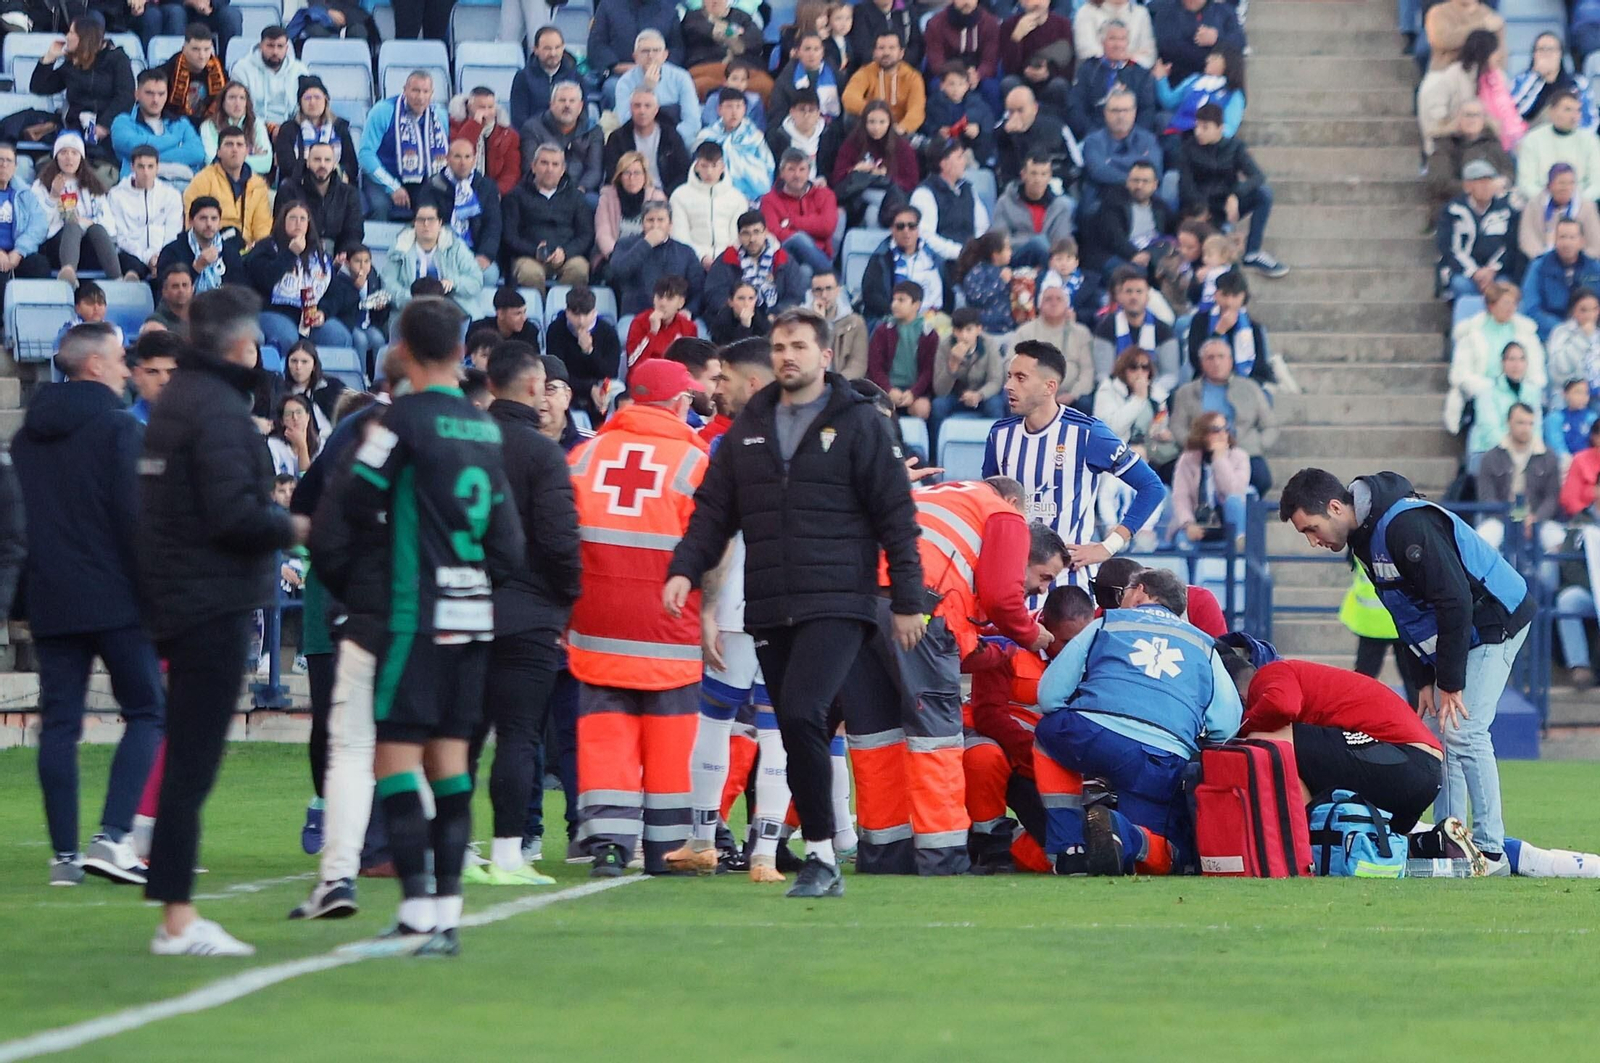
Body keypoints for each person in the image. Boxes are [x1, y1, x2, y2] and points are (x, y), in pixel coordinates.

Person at [665, 306, 924, 897]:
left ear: (825, 356)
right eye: (780, 345)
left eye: (800, 346)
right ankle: (815, 854)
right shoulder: (747, 430)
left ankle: (821, 854)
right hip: (769, 603)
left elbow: (897, 516)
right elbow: (713, 513)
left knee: (804, 712)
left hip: (839, 599)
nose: (788, 355)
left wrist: (908, 596)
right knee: (791, 719)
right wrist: (684, 567)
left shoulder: (858, 423)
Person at [317, 296, 524, 952]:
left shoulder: (397, 420)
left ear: (403, 347)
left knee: (396, 762)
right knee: (452, 766)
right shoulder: (485, 428)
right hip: (472, 619)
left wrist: (358, 583)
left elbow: (348, 502)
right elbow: (511, 547)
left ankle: (416, 912)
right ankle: (449, 916)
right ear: (463, 350)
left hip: (411, 615)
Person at [138, 287, 306, 955]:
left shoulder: (177, 402)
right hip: (211, 602)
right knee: (193, 764)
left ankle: (173, 908)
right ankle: (177, 918)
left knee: (186, 759)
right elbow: (234, 513)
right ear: (241, 344)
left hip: (181, 597)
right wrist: (295, 525)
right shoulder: (219, 412)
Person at [1279, 466, 1535, 873]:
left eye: (1311, 529)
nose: (1313, 542)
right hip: (1458, 629)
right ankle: (1449, 838)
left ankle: (1489, 850)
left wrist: (1448, 680)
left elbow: (1454, 600)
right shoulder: (1364, 537)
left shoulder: (1405, 526)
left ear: (1333, 507)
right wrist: (1424, 679)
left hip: (1496, 617)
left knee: (1465, 730)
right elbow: (1405, 611)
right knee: (1439, 733)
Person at [14, 324, 156, 887]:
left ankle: (65, 858)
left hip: (51, 592)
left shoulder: (28, 438)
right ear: (95, 365)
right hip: (117, 594)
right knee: (148, 710)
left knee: (59, 723)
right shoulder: (120, 430)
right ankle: (113, 836)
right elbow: (132, 520)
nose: (127, 368)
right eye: (121, 359)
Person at [565, 358, 709, 877]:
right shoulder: (695, 463)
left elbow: (562, 542)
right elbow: (712, 552)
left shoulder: (584, 457)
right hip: (669, 629)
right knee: (670, 742)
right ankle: (667, 848)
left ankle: (607, 843)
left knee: (606, 738)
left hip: (597, 627)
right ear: (676, 403)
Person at [1034, 567, 1242, 874]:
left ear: (1141, 591)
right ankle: (1127, 834)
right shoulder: (1204, 646)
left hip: (1093, 734)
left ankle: (1069, 846)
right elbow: (1227, 724)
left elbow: (1049, 696)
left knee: (1048, 735)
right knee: (1161, 852)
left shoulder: (1107, 623)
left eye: (1125, 594)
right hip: (1161, 758)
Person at [464, 343, 581, 886]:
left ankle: (457, 849)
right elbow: (560, 539)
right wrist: (568, 599)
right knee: (518, 735)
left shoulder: (462, 444)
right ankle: (509, 852)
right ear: (535, 387)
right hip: (528, 614)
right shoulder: (541, 454)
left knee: (459, 735)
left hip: (459, 606)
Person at [983, 340, 1165, 597]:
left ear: (1050, 387)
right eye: (1009, 376)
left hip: (1067, 588)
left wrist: (1108, 546)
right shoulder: (999, 435)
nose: (1009, 385)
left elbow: (1152, 488)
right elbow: (989, 502)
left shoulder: (1088, 434)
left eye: (1021, 378)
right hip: (1010, 583)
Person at [1232, 658, 1443, 833]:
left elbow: (1282, 705)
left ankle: (1300, 844)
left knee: (1262, 741)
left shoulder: (1270, 673)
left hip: (1401, 758)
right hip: (1427, 779)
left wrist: (1240, 730)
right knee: (1292, 756)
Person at [1178, 104, 1287, 277]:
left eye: (1205, 127)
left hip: (1227, 204)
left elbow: (1257, 176)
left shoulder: (1234, 147)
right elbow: (1186, 185)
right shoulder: (1188, 148)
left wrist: (1235, 195)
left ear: (1220, 128)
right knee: (1220, 256)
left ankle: (1252, 252)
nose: (1199, 131)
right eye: (1197, 126)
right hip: (1200, 210)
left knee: (1263, 193)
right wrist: (1200, 209)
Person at [244, 198, 357, 353]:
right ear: (282, 221)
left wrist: (323, 312)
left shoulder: (320, 255)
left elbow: (335, 292)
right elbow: (264, 279)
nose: (298, 223)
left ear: (309, 224)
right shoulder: (266, 247)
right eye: (292, 218)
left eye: (303, 219)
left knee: (339, 336)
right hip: (273, 311)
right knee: (288, 337)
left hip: (310, 315)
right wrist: (290, 254)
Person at [1170, 338, 1277, 494]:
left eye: (1221, 357)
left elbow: (1270, 425)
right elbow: (1177, 426)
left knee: (1262, 479)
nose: (1216, 362)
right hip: (1201, 452)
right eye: (1210, 358)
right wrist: (1194, 444)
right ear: (1202, 363)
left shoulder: (1250, 388)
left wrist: (1259, 444)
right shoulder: (1186, 392)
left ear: (1231, 361)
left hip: (1244, 450)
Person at [358, 71, 450, 222]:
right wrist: (392, 187)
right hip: (382, 177)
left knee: (438, 204)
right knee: (380, 206)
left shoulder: (440, 116)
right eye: (415, 90)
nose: (420, 97)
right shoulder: (383, 111)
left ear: (431, 94)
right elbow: (366, 155)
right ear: (405, 90)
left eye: (425, 92)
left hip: (421, 179)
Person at [502, 142, 593, 293]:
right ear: (533, 166)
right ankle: (536, 312)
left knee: (580, 268)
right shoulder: (516, 195)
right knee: (530, 274)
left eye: (555, 164)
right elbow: (509, 235)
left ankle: (564, 312)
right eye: (544, 163)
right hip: (528, 257)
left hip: (566, 257)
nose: (549, 169)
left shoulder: (576, 197)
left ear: (563, 169)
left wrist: (566, 252)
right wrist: (534, 251)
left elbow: (586, 234)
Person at [32, 133, 120, 287]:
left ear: (81, 157)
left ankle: (119, 280)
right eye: (64, 153)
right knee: (72, 226)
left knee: (97, 228)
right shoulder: (41, 185)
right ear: (56, 156)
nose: (69, 158)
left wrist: (88, 223)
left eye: (74, 153)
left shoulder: (93, 185)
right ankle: (68, 273)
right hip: (56, 245)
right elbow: (38, 226)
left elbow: (110, 226)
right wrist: (53, 196)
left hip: (89, 246)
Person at [379, 201, 485, 317]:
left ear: (439, 223)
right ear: (414, 223)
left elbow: (476, 281)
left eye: (431, 219)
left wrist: (453, 282)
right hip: (410, 309)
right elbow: (388, 284)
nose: (426, 224)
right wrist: (415, 299)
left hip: (451, 307)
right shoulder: (400, 247)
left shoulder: (455, 246)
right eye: (421, 220)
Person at [426, 138, 504, 294]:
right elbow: (427, 223)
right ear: (447, 158)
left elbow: (493, 225)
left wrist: (485, 255)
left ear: (474, 160)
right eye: (457, 156)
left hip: (476, 253)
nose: (463, 162)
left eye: (468, 157)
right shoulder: (433, 185)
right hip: (441, 254)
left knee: (489, 275)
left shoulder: (487, 187)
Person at [1438, 159, 1520, 302]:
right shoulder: (1453, 211)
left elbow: (1510, 245)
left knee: (1505, 289)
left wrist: (1492, 270)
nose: (1486, 187)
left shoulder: (1506, 210)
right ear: (1467, 186)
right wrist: (1474, 272)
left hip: (1497, 273)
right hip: (1464, 273)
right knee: (1461, 286)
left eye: (1489, 181)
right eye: (1480, 182)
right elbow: (1450, 249)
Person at [828, 100, 918, 228]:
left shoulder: (902, 146)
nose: (876, 127)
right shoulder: (853, 142)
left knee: (873, 212)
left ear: (890, 123)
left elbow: (911, 182)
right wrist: (855, 170)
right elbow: (837, 179)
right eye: (871, 122)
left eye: (882, 122)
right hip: (855, 196)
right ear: (864, 122)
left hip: (890, 198)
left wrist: (885, 176)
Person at [1091, 266, 1181, 394]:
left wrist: (1149, 391)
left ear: (1147, 297)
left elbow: (1170, 374)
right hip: (1114, 392)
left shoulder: (1163, 330)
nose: (1133, 297)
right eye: (1128, 291)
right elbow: (1102, 372)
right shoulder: (1106, 326)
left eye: (1139, 292)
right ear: (1119, 297)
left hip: (1153, 391)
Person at [1082, 160, 1175, 280]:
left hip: (1150, 254)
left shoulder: (1160, 207)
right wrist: (1134, 254)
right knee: (1137, 274)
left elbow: (1172, 232)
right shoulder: (1112, 202)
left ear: (1154, 185)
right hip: (1116, 255)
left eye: (1145, 181)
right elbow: (1114, 237)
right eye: (1135, 180)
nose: (1139, 186)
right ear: (1127, 182)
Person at [182, 126, 272, 250]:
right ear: (218, 151)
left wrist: (260, 249)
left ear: (246, 151)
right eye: (229, 144)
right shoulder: (202, 180)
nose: (234, 149)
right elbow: (192, 223)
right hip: (213, 248)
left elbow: (263, 227)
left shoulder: (258, 184)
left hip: (250, 252)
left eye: (239, 145)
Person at [1067, 21, 1160, 141]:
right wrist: (1093, 134)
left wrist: (1132, 137)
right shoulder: (1088, 69)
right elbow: (1076, 106)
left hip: (1132, 139)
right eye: (1112, 39)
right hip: (1093, 136)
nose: (1118, 45)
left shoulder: (1141, 74)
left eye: (1122, 39)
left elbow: (1147, 110)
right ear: (1102, 42)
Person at [610, 200, 705, 317]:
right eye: (650, 220)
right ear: (642, 223)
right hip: (635, 316)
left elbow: (698, 289)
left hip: (676, 318)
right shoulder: (625, 245)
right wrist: (647, 243)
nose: (655, 225)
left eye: (660, 220)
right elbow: (619, 270)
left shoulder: (685, 252)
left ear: (670, 224)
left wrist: (689, 310)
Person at [1169, 410, 1248, 549]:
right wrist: (1188, 524)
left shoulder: (1240, 457)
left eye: (1226, 429)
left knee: (1234, 500)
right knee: (1183, 542)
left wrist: (1219, 459)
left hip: (1227, 521)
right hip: (1197, 522)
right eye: (1216, 430)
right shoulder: (1187, 459)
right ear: (1203, 433)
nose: (1223, 434)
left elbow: (1232, 491)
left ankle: (1238, 544)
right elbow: (1181, 497)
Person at [609, 30, 701, 146]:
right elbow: (626, 121)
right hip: (638, 142)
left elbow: (692, 121)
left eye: (656, 51)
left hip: (676, 141)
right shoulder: (625, 82)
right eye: (645, 51)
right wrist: (647, 89)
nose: (650, 56)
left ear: (665, 55)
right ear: (635, 56)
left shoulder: (681, 77)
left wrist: (667, 140)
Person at [110, 70, 206, 182]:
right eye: (149, 93)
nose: (155, 100)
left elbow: (197, 153)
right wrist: (174, 141)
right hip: (139, 188)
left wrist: (148, 160)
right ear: (137, 94)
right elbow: (133, 147)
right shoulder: (123, 122)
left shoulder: (181, 123)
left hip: (182, 187)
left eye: (161, 94)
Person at [543, 286, 620, 424]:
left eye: (586, 314)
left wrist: (590, 351)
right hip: (570, 384)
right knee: (553, 387)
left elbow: (611, 372)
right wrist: (589, 388)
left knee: (617, 389)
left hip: (600, 384)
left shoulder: (608, 332)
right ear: (567, 312)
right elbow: (557, 371)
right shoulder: (556, 330)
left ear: (594, 312)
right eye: (576, 314)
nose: (581, 320)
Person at [705, 210, 806, 314]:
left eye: (756, 232)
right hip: (735, 321)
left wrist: (775, 314)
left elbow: (796, 295)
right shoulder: (726, 259)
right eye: (746, 233)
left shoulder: (783, 258)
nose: (752, 239)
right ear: (739, 236)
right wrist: (737, 312)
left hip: (776, 320)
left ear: (766, 232)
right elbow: (714, 294)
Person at [759, 147, 839, 279]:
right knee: (799, 239)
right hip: (786, 254)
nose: (797, 175)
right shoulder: (769, 200)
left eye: (802, 169)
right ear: (782, 173)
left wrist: (791, 222)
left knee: (805, 270)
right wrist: (809, 228)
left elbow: (827, 227)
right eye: (791, 169)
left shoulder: (825, 194)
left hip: (819, 254)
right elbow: (773, 232)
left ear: (809, 172)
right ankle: (831, 279)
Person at [670, 141, 749, 272]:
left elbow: (737, 236)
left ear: (722, 166)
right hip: (691, 262)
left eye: (714, 166)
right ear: (696, 166)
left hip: (728, 261)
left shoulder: (737, 198)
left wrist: (721, 259)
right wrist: (702, 257)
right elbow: (680, 235)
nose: (709, 171)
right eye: (704, 166)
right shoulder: (679, 196)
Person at [517, 81, 604, 201]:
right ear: (551, 104)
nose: (567, 105)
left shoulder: (594, 130)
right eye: (562, 100)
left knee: (593, 202)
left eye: (572, 101)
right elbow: (530, 167)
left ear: (580, 106)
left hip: (579, 192)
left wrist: (579, 190)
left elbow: (594, 170)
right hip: (542, 190)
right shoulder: (532, 128)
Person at [1080, 87, 1162, 213]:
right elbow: (1099, 171)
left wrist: (1112, 161)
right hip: (1103, 202)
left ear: (1134, 112)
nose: (1121, 116)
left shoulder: (1148, 139)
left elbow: (1155, 169)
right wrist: (1138, 175)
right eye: (1115, 111)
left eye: (1126, 110)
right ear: (1105, 112)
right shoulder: (1093, 141)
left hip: (1144, 199)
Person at [929, 306, 1005, 441]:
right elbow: (939, 390)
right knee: (938, 405)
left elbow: (996, 380)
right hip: (955, 396)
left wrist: (979, 395)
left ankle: (998, 449)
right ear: (953, 331)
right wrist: (952, 365)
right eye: (959, 330)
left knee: (996, 405)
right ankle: (935, 454)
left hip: (982, 394)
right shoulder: (944, 345)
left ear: (978, 329)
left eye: (969, 330)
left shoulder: (989, 344)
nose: (964, 336)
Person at [276, 141, 363, 258]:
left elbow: (354, 231)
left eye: (327, 160)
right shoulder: (289, 190)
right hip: (298, 253)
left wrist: (343, 255)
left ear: (334, 164)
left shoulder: (348, 193)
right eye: (317, 159)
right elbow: (280, 227)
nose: (322, 165)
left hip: (338, 257)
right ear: (307, 162)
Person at [106, 145, 181, 281]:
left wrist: (158, 256)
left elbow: (172, 232)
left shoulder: (171, 195)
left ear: (157, 168)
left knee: (172, 266)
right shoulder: (116, 195)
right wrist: (147, 258)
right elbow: (120, 236)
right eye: (141, 167)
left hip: (163, 252)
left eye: (150, 167)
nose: (146, 172)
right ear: (132, 167)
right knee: (130, 265)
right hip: (130, 253)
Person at [860, 203, 945, 323]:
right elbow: (872, 297)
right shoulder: (880, 259)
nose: (906, 231)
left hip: (933, 319)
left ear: (918, 228)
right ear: (892, 230)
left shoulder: (933, 257)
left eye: (912, 226)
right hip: (894, 320)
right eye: (900, 226)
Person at [909, 139, 989, 265]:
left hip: (972, 258)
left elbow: (982, 226)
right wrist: (959, 252)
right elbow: (926, 236)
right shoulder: (924, 194)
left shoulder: (968, 189)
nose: (964, 162)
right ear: (944, 164)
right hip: (942, 262)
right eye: (959, 157)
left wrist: (975, 251)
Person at [1187, 268, 1273, 384]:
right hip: (1208, 381)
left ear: (1243, 297)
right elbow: (1196, 359)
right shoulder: (1200, 320)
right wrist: (1218, 332)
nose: (1229, 302)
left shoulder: (1254, 327)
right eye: (1225, 295)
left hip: (1246, 384)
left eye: (1235, 296)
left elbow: (1260, 366)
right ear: (1216, 295)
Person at [992, 152, 1076, 270]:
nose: (1038, 180)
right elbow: (998, 241)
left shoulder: (1060, 206)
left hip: (1049, 263)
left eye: (1043, 174)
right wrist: (1031, 243)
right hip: (1015, 259)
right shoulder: (1005, 202)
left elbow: (1061, 243)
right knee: (1038, 242)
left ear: (1050, 176)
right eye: (1033, 173)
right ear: (1023, 175)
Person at [271, 76, 359, 187]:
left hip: (335, 185)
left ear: (325, 100)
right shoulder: (288, 129)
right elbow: (287, 165)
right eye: (307, 98)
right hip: (300, 185)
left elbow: (351, 165)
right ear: (300, 103)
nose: (312, 102)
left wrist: (331, 176)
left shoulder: (339, 127)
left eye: (317, 97)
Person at [867, 280, 936, 421]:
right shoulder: (883, 330)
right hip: (886, 390)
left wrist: (914, 393)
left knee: (922, 408)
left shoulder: (928, 333)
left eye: (901, 300)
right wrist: (889, 390)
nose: (894, 304)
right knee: (875, 410)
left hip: (916, 393)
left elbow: (929, 370)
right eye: (894, 299)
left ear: (916, 305)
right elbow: (875, 367)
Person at [603, 91, 690, 202]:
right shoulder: (617, 138)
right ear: (630, 109)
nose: (642, 111)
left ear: (656, 109)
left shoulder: (670, 136)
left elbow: (683, 172)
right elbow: (613, 174)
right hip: (629, 196)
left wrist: (666, 194)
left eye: (647, 106)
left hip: (665, 194)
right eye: (637, 106)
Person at [1521, 217, 1600, 338]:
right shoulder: (1539, 266)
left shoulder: (1594, 268)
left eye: (1572, 238)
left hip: (1590, 331)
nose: (1567, 243)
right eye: (1562, 237)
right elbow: (1530, 308)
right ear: (1555, 240)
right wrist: (1562, 329)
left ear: (1582, 241)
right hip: (1550, 333)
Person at [1516, 90, 1600, 204]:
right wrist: (1550, 202)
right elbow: (1526, 183)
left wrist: (1576, 202)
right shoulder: (1533, 140)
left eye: (1578, 110)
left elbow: (1596, 183)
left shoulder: (1590, 140)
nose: (1574, 116)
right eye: (1567, 110)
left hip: (1582, 204)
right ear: (1552, 112)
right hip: (1541, 204)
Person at [694, 88, 775, 203]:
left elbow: (768, 168)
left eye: (738, 106)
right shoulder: (706, 136)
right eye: (729, 106)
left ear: (744, 109)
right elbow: (697, 169)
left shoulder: (755, 137)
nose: (734, 112)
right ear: (719, 110)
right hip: (714, 197)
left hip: (753, 198)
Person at [841, 31, 926, 137]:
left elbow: (916, 110)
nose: (886, 53)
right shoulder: (865, 72)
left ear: (901, 53)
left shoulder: (913, 77)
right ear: (874, 52)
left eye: (891, 48)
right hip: (872, 127)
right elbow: (849, 97)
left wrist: (901, 128)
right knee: (850, 116)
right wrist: (877, 116)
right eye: (881, 48)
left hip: (899, 131)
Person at [924, 0, 1001, 110]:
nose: (967, 2)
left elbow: (990, 61)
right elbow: (936, 61)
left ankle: (992, 125)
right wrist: (957, 77)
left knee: (991, 88)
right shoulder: (935, 23)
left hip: (977, 73)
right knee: (936, 86)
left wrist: (978, 74)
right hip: (946, 73)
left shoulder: (990, 23)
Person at [1153, 46, 1244, 138]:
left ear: (1227, 63)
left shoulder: (1234, 94)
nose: (1208, 59)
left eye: (1215, 58)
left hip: (1206, 141)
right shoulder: (1195, 79)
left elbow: (1229, 128)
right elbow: (1169, 102)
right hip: (1179, 131)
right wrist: (1161, 79)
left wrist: (1205, 131)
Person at [682, 0, 766, 99]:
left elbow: (756, 40)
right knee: (698, 86)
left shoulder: (742, 16)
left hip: (743, 69)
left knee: (766, 87)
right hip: (707, 67)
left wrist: (736, 41)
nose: (715, 1)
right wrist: (733, 33)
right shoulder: (693, 17)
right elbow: (700, 30)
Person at [156, 197, 243, 292]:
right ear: (190, 221)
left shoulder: (230, 252)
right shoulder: (172, 252)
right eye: (203, 218)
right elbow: (166, 291)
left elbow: (240, 290)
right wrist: (197, 268)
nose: (209, 224)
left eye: (214, 219)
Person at [231, 25, 308, 131]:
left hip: (289, 128)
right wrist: (269, 128)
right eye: (270, 46)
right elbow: (238, 107)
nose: (275, 52)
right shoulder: (242, 69)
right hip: (252, 127)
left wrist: (285, 129)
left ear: (287, 48)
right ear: (261, 46)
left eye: (280, 46)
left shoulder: (299, 70)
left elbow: (304, 107)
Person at [448, 88, 520, 199]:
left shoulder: (508, 134)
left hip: (495, 194)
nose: (486, 112)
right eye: (481, 107)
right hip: (458, 190)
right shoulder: (455, 126)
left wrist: (494, 193)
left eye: (490, 107)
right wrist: (475, 125)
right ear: (469, 106)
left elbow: (511, 172)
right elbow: (459, 150)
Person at [1151, 0, 1245, 83]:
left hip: (1216, 82)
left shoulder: (1223, 12)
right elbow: (1167, 45)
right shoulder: (1165, 11)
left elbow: (1239, 43)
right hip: (1177, 79)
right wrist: (1206, 53)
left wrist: (1217, 39)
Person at [509, 27, 582, 131]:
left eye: (557, 47)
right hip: (534, 139)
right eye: (547, 48)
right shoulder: (523, 78)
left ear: (563, 47)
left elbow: (583, 116)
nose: (553, 53)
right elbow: (519, 120)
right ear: (535, 49)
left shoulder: (576, 76)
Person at [197, 82, 274, 177]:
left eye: (242, 98)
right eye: (232, 97)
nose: (237, 103)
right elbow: (212, 161)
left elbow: (266, 163)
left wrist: (228, 158)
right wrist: (251, 155)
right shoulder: (208, 126)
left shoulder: (256, 124)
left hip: (252, 181)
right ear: (223, 102)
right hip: (219, 180)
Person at [769, 35, 844, 129]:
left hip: (831, 129)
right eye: (807, 49)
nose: (811, 54)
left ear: (822, 52)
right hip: (795, 128)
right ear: (798, 52)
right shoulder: (786, 77)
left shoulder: (836, 74)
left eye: (816, 49)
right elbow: (778, 112)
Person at [158, 26, 227, 125]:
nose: (202, 56)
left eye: (207, 49)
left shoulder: (221, 73)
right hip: (174, 126)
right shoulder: (166, 72)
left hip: (210, 127)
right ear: (184, 49)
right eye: (195, 49)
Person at [805, 269, 867, 379]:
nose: (824, 295)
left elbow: (858, 365)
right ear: (811, 293)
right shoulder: (801, 322)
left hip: (843, 386)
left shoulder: (855, 322)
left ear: (838, 290)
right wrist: (819, 321)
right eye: (818, 290)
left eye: (829, 288)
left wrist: (835, 383)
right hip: (809, 385)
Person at [625, 275, 697, 365]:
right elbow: (633, 362)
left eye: (669, 298)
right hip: (645, 375)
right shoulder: (639, 322)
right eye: (659, 297)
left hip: (674, 376)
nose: (662, 303)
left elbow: (690, 365)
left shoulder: (689, 327)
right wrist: (652, 333)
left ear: (681, 303)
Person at [954, 231, 1015, 335]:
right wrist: (1000, 282)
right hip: (987, 331)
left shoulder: (1005, 270)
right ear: (995, 255)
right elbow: (977, 298)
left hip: (1008, 328)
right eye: (1007, 249)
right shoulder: (976, 273)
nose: (1011, 252)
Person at [280, 339, 345, 433]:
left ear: (314, 365)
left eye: (304, 362)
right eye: (294, 361)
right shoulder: (281, 391)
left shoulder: (333, 386)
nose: (298, 367)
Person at [127, 329, 180, 422]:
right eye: (152, 372)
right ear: (136, 376)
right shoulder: (127, 425)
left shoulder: (205, 422)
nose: (164, 380)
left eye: (172, 372)